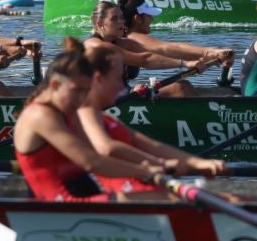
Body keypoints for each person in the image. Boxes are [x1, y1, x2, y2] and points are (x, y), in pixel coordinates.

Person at [14, 38, 168, 202]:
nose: (81, 99)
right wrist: (144, 171)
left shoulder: (66, 112)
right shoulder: (40, 115)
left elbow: (102, 149)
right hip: (62, 206)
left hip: (83, 197)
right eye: (77, 90)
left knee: (168, 195)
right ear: (54, 85)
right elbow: (91, 162)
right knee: (168, 199)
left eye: (86, 91)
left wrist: (157, 164)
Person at [77, 42, 224, 195]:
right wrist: (162, 164)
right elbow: (108, 148)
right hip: (124, 195)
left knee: (229, 197)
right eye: (117, 79)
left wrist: (199, 162)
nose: (122, 87)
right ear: (99, 79)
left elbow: (151, 145)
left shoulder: (105, 117)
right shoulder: (85, 111)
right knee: (229, 200)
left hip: (135, 189)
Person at [85, 2, 206, 97]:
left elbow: (161, 50)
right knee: (180, 88)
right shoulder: (96, 46)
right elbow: (145, 60)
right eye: (114, 19)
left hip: (120, 93)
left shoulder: (121, 42)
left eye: (121, 17)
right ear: (100, 23)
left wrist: (208, 56)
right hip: (99, 99)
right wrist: (185, 64)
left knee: (184, 85)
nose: (121, 22)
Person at [117, 0, 233, 80]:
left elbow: (163, 51)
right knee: (182, 89)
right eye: (149, 15)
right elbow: (166, 48)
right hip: (117, 95)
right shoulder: (131, 38)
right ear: (138, 18)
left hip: (120, 89)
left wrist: (204, 57)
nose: (152, 19)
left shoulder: (125, 36)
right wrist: (210, 52)